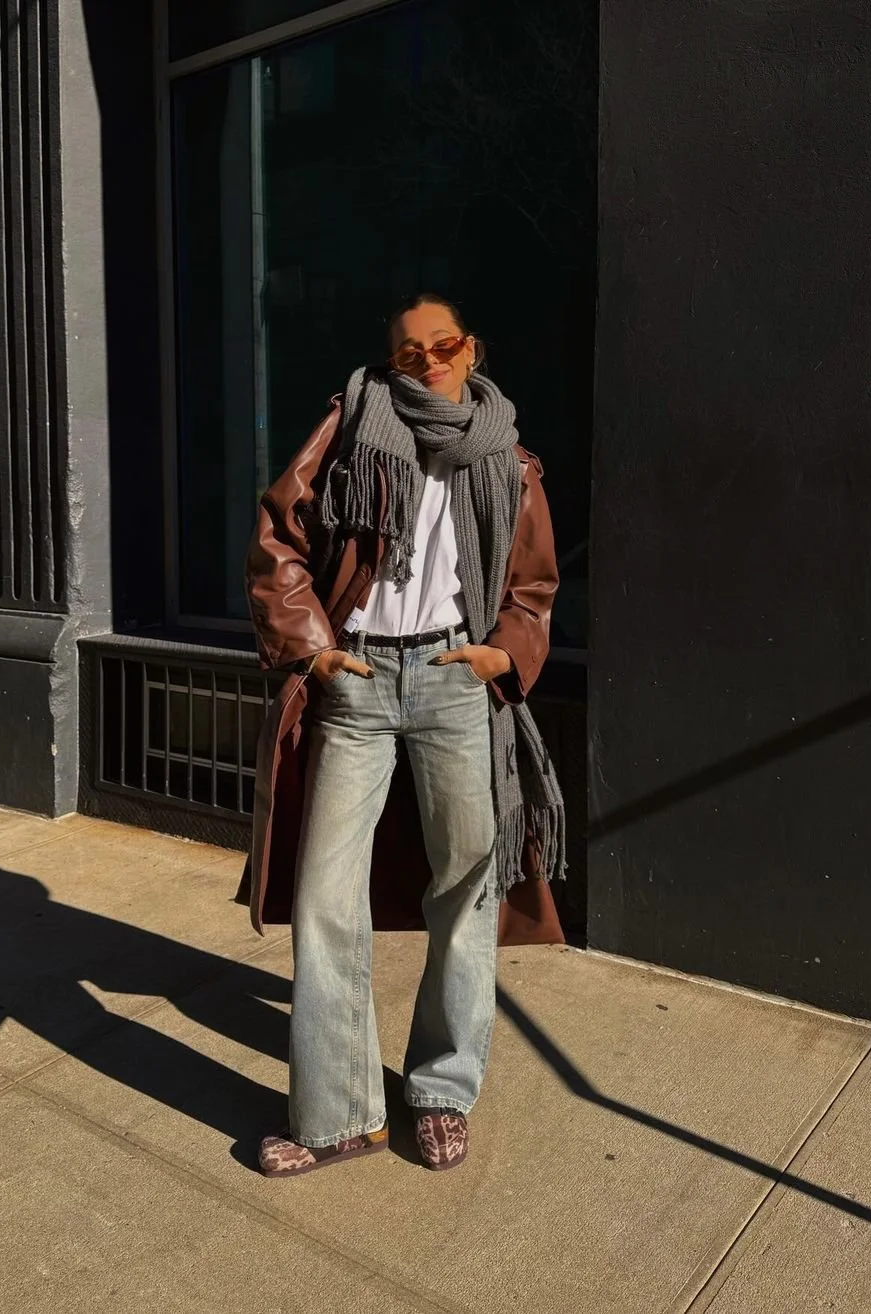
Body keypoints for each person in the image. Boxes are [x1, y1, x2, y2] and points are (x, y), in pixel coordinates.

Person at [242, 293, 565, 1177]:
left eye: (444, 345)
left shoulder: (509, 459)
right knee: (324, 894)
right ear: (390, 364)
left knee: (463, 888)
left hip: (456, 682)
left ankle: (441, 1090)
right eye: (408, 352)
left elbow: (532, 587)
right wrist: (314, 650)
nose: (427, 361)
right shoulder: (350, 431)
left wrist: (504, 654)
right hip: (362, 678)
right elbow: (280, 540)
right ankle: (342, 1114)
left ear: (472, 349)